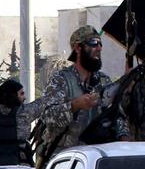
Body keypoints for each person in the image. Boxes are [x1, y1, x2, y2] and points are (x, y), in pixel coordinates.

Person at [36, 25, 128, 159]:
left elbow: (116, 115)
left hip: (95, 159)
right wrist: (74, 106)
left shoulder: (103, 81)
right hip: (64, 161)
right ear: (78, 48)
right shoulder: (61, 80)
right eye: (93, 43)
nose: (99, 48)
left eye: (100, 44)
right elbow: (48, 116)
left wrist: (123, 139)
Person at [0, 79, 53, 165]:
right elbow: (46, 101)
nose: (24, 97)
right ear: (13, 95)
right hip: (21, 167)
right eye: (21, 94)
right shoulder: (26, 112)